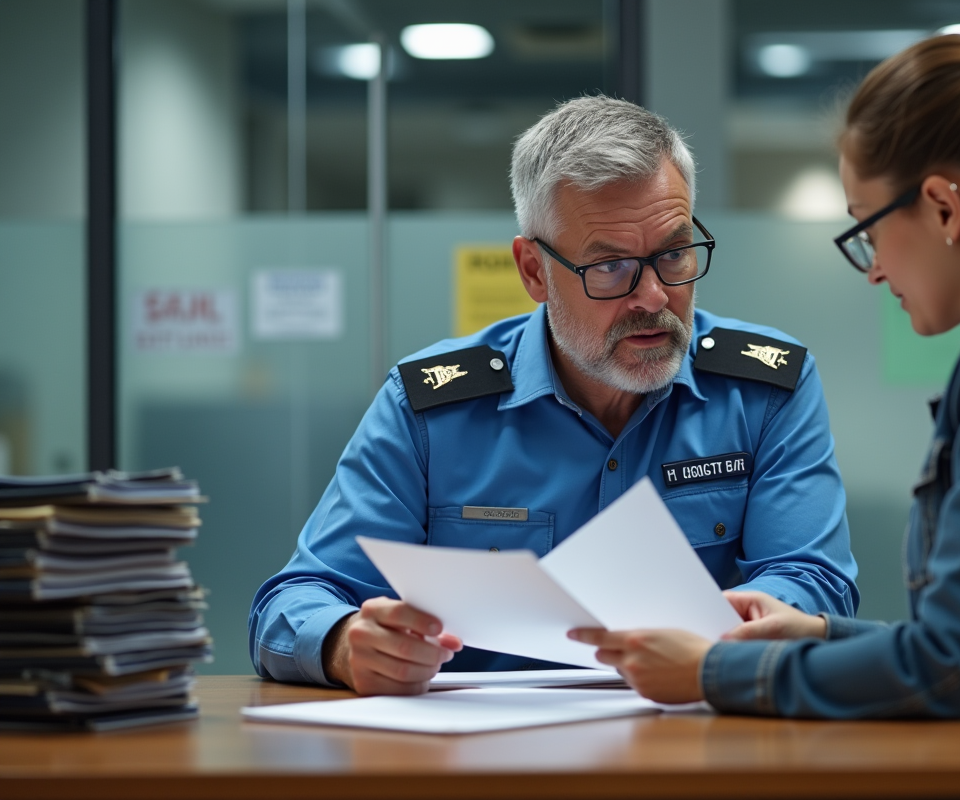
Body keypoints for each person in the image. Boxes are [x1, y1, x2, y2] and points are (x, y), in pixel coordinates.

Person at [569, 1, 960, 797]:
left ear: (943, 206)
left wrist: (714, 669)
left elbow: (949, 672)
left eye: (866, 230)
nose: (870, 270)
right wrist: (822, 636)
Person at [248, 96, 859, 696]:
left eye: (673, 253)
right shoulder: (432, 410)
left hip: (696, 738)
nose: (652, 296)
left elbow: (812, 579)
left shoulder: (764, 389)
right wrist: (343, 643)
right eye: (611, 266)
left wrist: (740, 633)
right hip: (490, 759)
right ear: (534, 272)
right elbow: (296, 599)